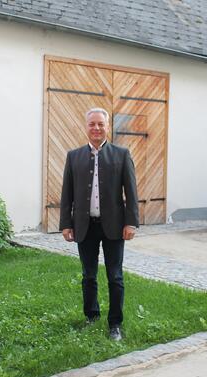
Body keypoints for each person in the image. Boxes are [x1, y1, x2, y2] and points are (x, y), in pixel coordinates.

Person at [59, 107, 139, 341]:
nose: (96, 128)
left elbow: (131, 192)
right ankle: (91, 316)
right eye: (92, 124)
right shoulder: (74, 156)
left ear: (107, 127)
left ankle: (115, 323)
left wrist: (131, 222)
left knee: (115, 276)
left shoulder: (121, 154)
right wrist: (66, 223)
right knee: (88, 275)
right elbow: (67, 193)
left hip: (114, 225)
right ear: (86, 127)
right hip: (84, 225)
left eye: (100, 124)